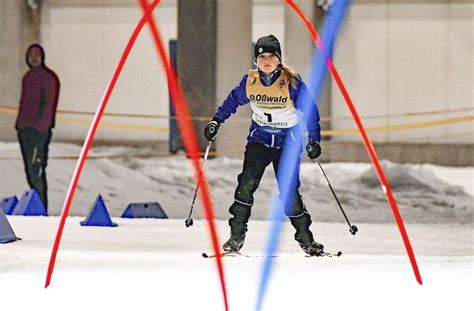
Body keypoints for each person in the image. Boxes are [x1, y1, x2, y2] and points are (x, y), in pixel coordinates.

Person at [204, 35, 324, 256]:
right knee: (246, 186)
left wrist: (314, 139)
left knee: (289, 193)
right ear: (256, 60)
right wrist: (216, 121)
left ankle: (307, 241)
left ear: (279, 59)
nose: (266, 61)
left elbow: (310, 110)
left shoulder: (292, 82)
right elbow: (232, 101)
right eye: (261, 57)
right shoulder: (250, 81)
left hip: (287, 142)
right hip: (259, 140)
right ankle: (235, 238)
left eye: (271, 56)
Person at [15, 44, 60, 213]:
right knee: (29, 170)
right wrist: (20, 124)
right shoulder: (28, 77)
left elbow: (48, 105)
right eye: (31, 55)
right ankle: (35, 205)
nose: (34, 58)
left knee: (36, 170)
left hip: (38, 132)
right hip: (25, 130)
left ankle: (41, 208)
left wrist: (41, 129)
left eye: (37, 55)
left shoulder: (48, 78)